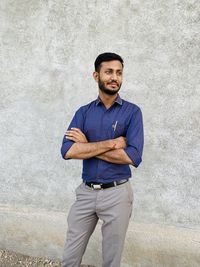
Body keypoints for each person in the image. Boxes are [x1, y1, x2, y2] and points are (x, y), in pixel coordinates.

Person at [60, 52, 144, 267]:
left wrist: (86, 145)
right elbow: (68, 151)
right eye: (109, 72)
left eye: (119, 72)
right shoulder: (84, 112)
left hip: (117, 193)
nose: (114, 77)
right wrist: (110, 143)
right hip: (86, 193)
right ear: (96, 76)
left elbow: (132, 156)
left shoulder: (132, 113)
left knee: (111, 259)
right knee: (70, 256)